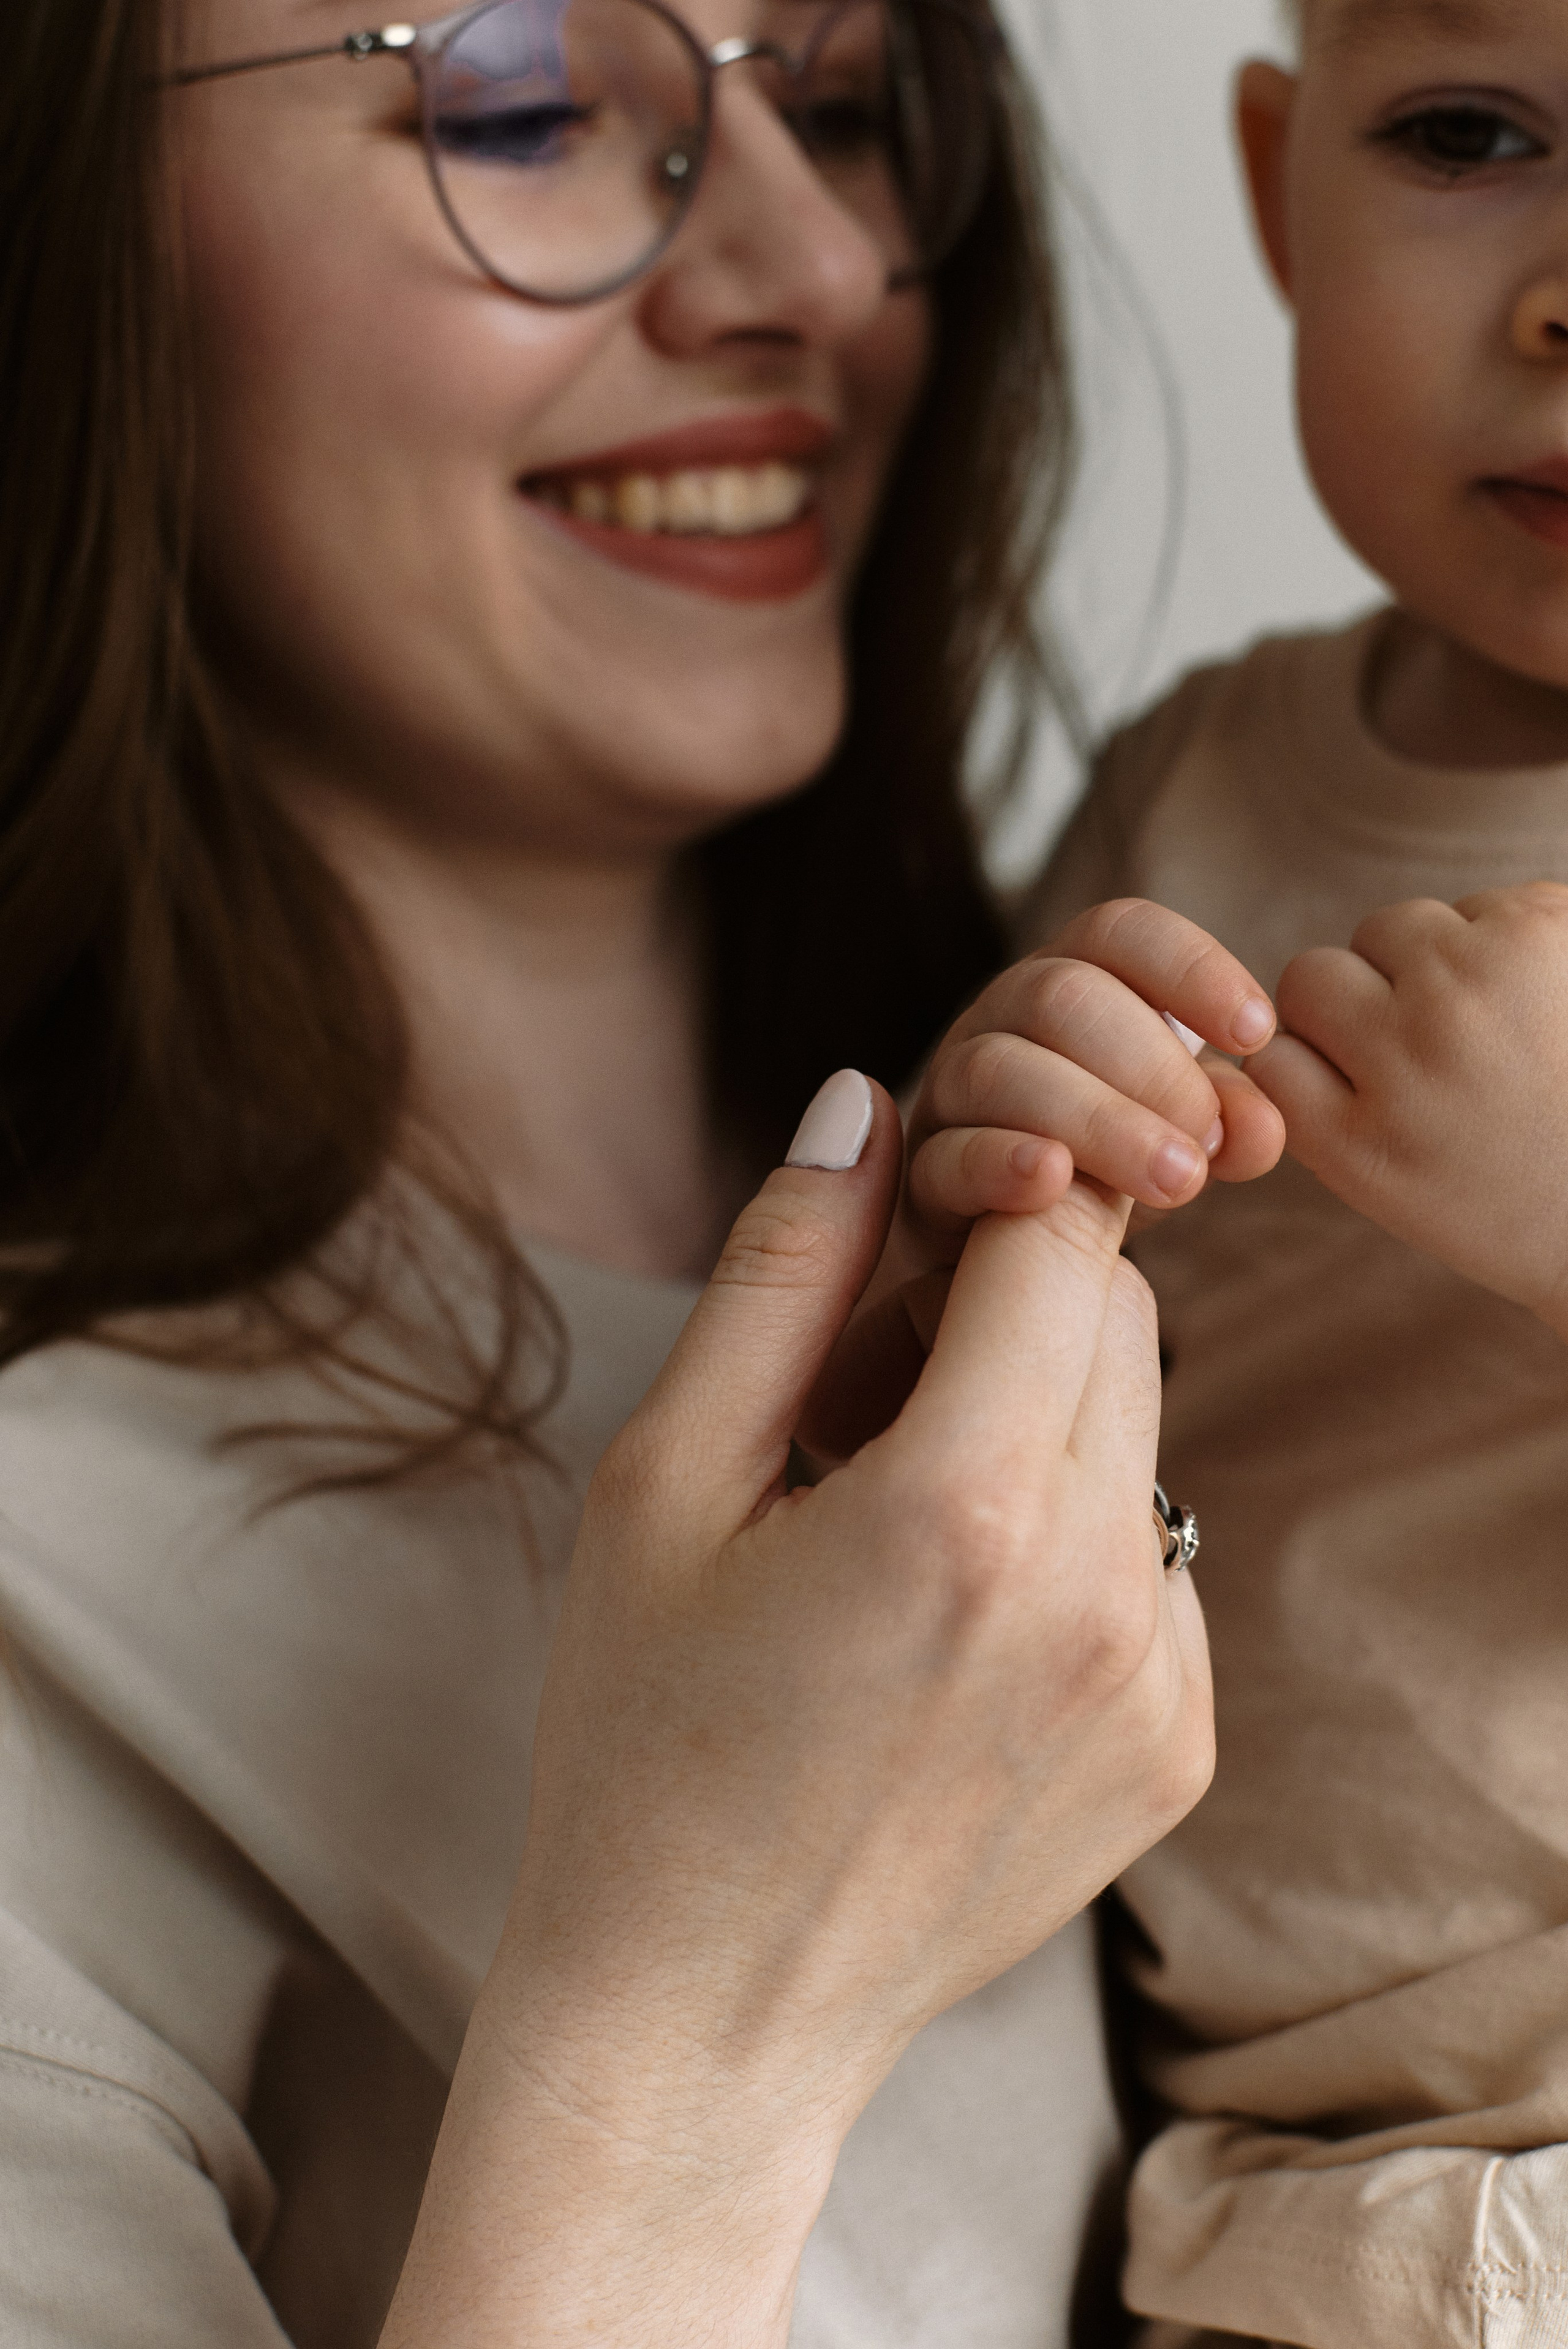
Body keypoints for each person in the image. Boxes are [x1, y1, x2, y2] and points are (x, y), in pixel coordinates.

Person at [0, 0, 1231, 2339]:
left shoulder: (1266, 1144)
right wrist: (687, 2041)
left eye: (848, 103)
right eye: (523, 105)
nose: (801, 258)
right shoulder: (46, 1599)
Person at [890, 0, 1568, 2338]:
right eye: (1474, 134)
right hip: (1258, 2211)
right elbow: (956, 1371)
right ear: (1282, 193)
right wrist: (1001, 1128)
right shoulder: (1199, 780)